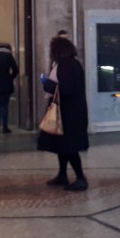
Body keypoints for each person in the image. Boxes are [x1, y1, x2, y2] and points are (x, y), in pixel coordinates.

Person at [38, 35, 89, 191]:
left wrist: (47, 84)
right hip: (72, 112)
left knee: (69, 147)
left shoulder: (65, 65)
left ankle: (81, 178)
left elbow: (65, 89)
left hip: (68, 114)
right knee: (62, 146)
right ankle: (62, 175)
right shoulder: (73, 63)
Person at [0, 42, 19, 134]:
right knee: (5, 106)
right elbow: (15, 69)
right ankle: (5, 127)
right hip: (7, 84)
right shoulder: (8, 56)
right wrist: (10, 78)